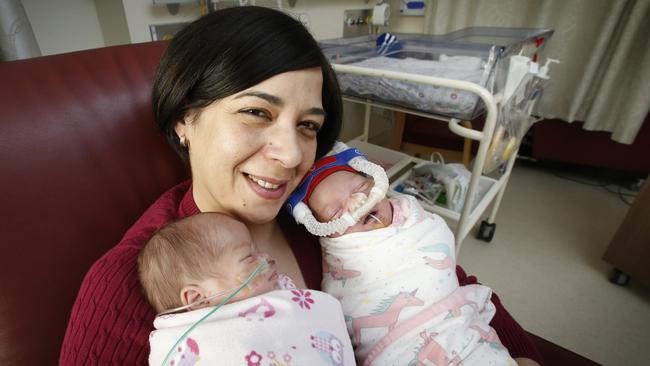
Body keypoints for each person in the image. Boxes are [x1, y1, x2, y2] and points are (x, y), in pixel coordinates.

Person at [59, 6, 541, 366]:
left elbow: (443, 284)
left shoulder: (330, 208)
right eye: (256, 112)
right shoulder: (126, 286)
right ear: (185, 118)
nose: (291, 156)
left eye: (308, 126)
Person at [287, 145, 516, 365]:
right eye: (336, 212)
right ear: (323, 230)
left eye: (361, 189)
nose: (357, 204)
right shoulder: (341, 252)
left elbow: (452, 272)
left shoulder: (410, 218)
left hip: (462, 323)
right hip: (398, 350)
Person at [138, 212, 354, 365]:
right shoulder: (189, 346)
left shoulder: (279, 300)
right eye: (248, 257)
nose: (266, 257)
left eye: (257, 251)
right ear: (198, 298)